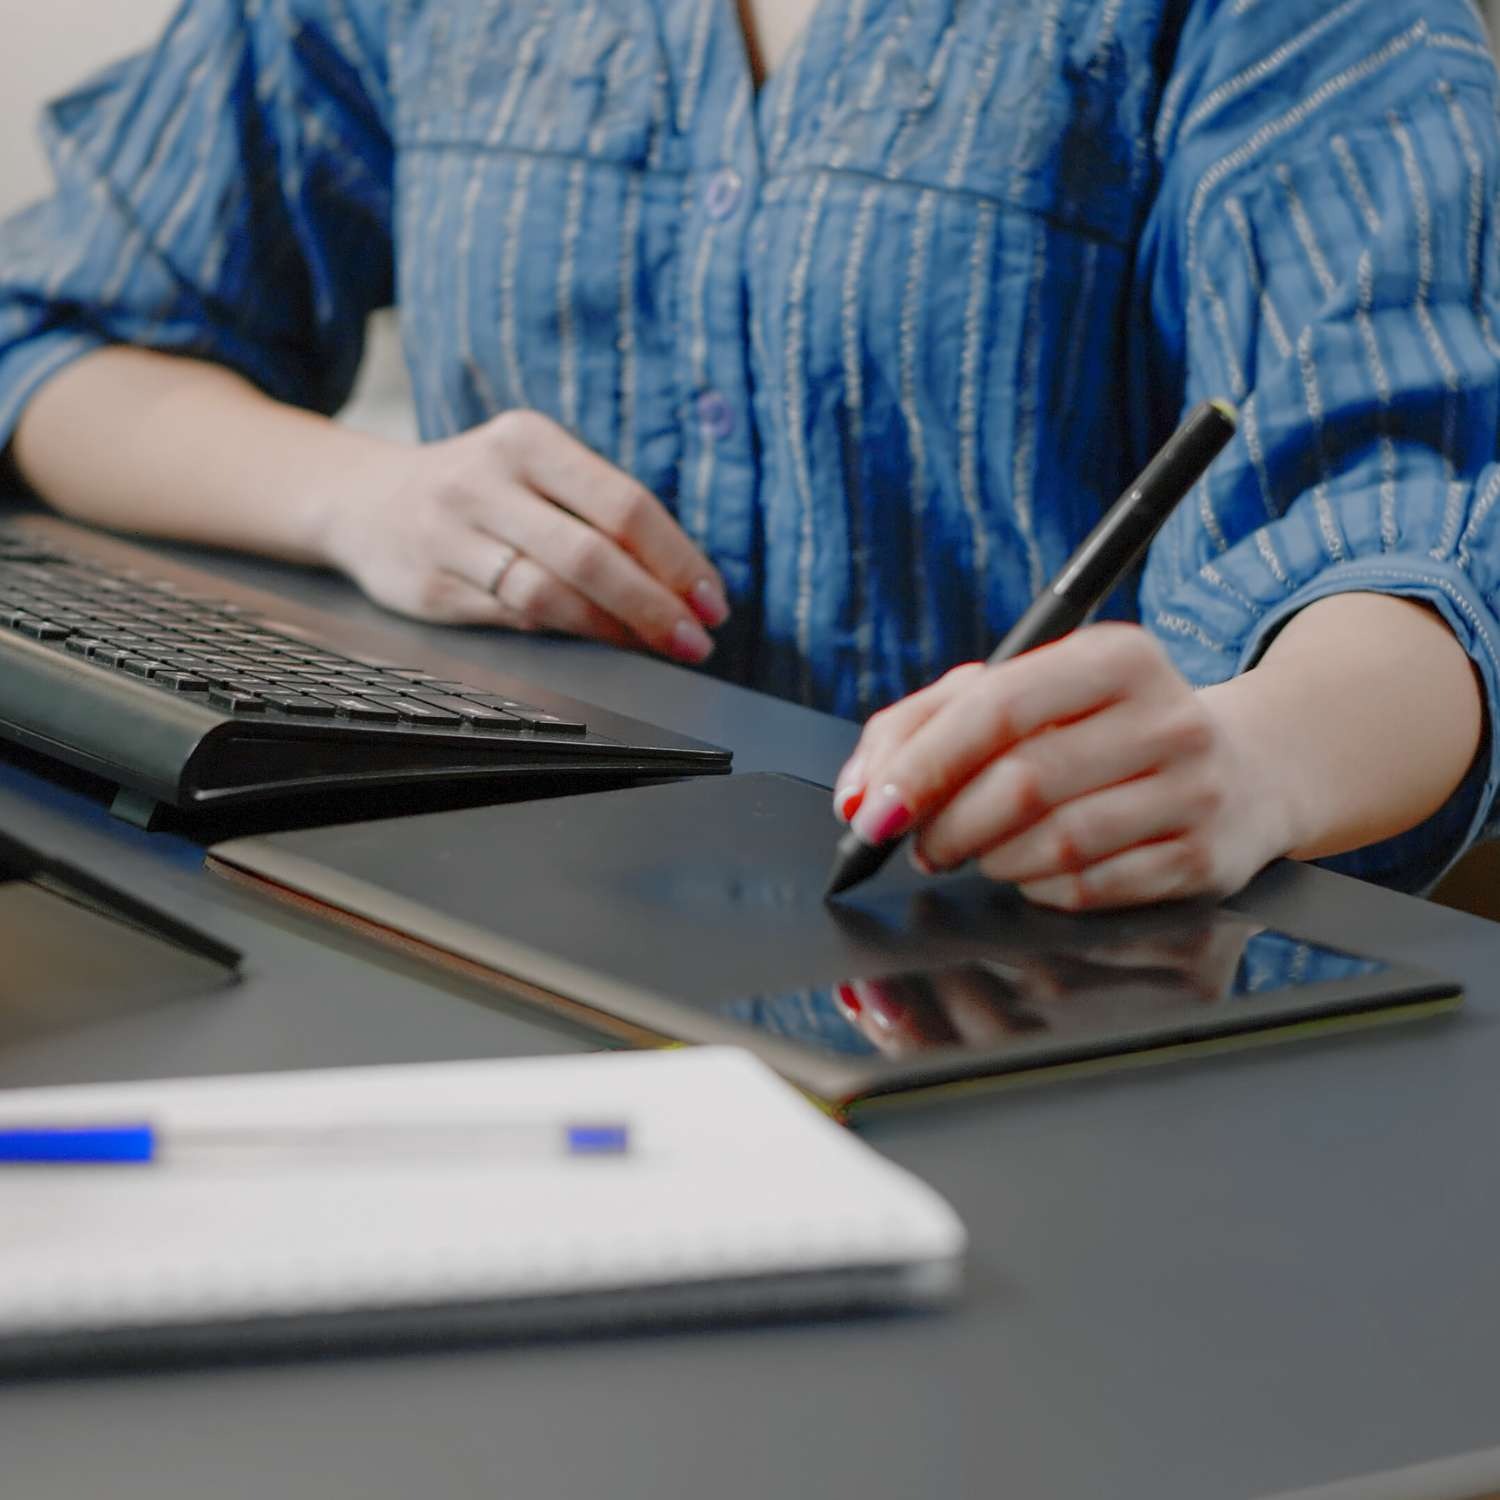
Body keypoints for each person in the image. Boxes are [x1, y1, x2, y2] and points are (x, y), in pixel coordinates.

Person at [0, 0, 1496, 911]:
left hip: (1017, 985)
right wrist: (359, 493)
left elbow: (1415, 536)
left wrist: (1253, 760)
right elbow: (56, 341)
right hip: (479, 932)